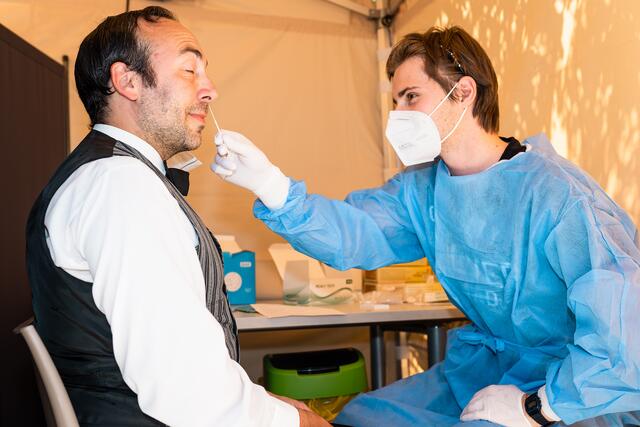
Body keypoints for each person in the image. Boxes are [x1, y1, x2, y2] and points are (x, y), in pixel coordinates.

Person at [211, 26, 640, 427]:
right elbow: (353, 232)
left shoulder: (559, 195)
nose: (398, 115)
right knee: (363, 416)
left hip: (572, 383)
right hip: (482, 367)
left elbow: (624, 337)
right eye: (394, 102)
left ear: (464, 92)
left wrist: (538, 406)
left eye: (411, 97)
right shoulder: (423, 192)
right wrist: (272, 187)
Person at [26, 6, 330, 427]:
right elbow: (189, 394)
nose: (210, 90)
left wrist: (265, 402)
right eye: (190, 70)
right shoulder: (121, 186)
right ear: (127, 81)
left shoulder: (113, 176)